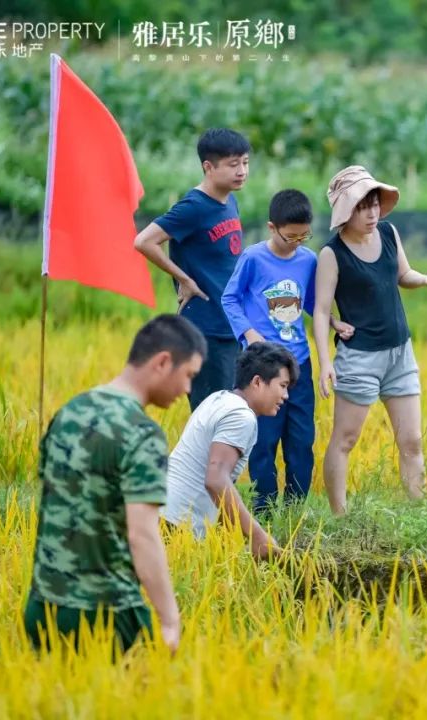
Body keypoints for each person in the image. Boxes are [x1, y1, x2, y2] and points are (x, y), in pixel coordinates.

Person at [23, 315, 206, 655]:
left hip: (41, 606)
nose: (188, 390)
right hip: (105, 614)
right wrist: (169, 620)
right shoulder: (141, 432)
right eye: (189, 375)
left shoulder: (68, 413)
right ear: (163, 362)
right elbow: (142, 534)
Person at [313, 165, 427, 514]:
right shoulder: (332, 254)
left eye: (375, 203)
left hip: (399, 353)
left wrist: (426, 279)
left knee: (412, 441)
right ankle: (339, 515)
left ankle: (417, 512)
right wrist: (325, 362)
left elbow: (403, 274)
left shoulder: (389, 233)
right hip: (359, 358)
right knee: (345, 440)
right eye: (363, 206)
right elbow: (320, 310)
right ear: (346, 211)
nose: (373, 213)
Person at [220, 190, 353, 512]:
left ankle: (294, 511)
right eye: (290, 235)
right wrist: (248, 333)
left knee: (301, 440)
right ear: (271, 227)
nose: (296, 242)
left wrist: (332, 321)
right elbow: (230, 298)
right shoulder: (253, 258)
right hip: (263, 367)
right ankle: (264, 511)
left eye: (303, 235)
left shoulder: (307, 260)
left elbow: (310, 303)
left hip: (298, 365)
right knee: (264, 441)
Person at [134, 128, 250, 411]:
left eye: (245, 162)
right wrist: (183, 278)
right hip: (206, 328)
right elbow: (144, 241)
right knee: (212, 415)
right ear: (208, 167)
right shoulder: (193, 207)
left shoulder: (229, 200)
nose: (242, 171)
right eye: (233, 164)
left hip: (231, 325)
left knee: (233, 413)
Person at [162, 342, 298, 554]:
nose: (286, 396)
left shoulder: (218, 399)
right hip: (171, 527)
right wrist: (258, 536)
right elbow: (216, 480)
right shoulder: (241, 417)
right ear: (257, 382)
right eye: (282, 386)